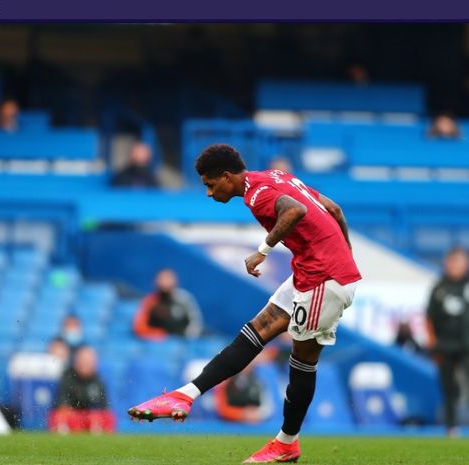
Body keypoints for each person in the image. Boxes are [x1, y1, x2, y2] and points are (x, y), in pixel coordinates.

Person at [128, 144, 361, 464]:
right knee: (256, 331)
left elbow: (295, 211)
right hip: (311, 270)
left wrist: (262, 251)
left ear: (226, 177)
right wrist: (346, 253)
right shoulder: (276, 175)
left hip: (324, 278)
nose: (209, 194)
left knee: (302, 359)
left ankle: (286, 444)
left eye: (210, 185)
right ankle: (185, 395)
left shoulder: (257, 194)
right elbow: (334, 209)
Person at [426, 247, 469, 437]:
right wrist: (433, 343)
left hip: (467, 346)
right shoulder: (439, 287)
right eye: (452, 261)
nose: (455, 266)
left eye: (459, 261)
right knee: (448, 388)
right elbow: (429, 318)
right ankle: (451, 427)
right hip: (445, 347)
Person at [48, 346, 115, 434]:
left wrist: (94, 417)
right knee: (60, 416)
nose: (85, 364)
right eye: (83, 361)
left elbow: (104, 408)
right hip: (72, 416)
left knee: (105, 417)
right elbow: (62, 405)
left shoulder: (98, 381)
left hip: (90, 417)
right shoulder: (67, 377)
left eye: (89, 361)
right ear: (76, 361)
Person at [133, 268, 203, 340]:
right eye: (162, 278)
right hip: (156, 343)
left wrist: (187, 339)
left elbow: (195, 324)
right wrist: (158, 335)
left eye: (168, 278)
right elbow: (139, 327)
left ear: (175, 281)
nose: (165, 281)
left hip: (181, 342)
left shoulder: (184, 299)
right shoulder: (150, 301)